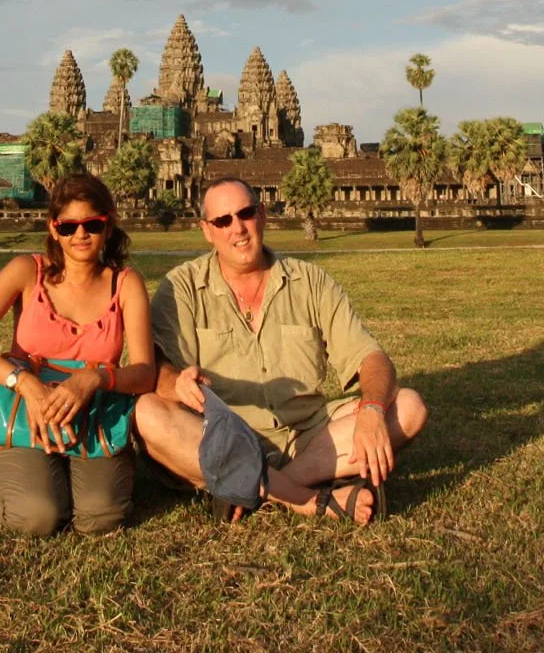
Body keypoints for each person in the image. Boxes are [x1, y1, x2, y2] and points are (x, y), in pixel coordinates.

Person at [135, 176, 428, 523]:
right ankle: (304, 497)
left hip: (306, 435)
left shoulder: (310, 282)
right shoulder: (182, 287)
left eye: (245, 213)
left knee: (408, 407)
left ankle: (260, 488)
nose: (238, 228)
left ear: (262, 215)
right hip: (224, 436)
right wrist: (176, 382)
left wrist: (373, 409)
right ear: (206, 230)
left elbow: (371, 357)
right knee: (146, 412)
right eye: (223, 220)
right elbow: (157, 367)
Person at [0, 174, 157, 536]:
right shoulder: (26, 272)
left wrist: (95, 378)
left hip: (94, 416)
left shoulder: (125, 284)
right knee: (38, 518)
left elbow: (144, 372)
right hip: (25, 414)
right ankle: (40, 474)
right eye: (68, 227)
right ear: (53, 228)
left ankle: (76, 472)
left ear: (108, 227)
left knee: (100, 518)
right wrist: (26, 383)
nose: (80, 235)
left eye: (92, 224)